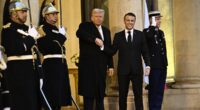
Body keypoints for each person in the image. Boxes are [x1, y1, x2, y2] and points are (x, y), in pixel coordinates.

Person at [104, 12, 150, 110]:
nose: (130, 22)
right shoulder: (118, 36)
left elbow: (145, 52)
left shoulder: (140, 35)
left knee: (138, 96)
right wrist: (102, 46)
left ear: (134, 22)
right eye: (128, 20)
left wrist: (148, 65)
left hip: (137, 70)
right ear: (124, 21)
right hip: (123, 71)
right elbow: (112, 51)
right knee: (122, 96)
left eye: (132, 21)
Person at [1, 1, 40, 110]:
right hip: (18, 72)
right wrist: (31, 38)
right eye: (22, 12)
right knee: (21, 103)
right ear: (14, 14)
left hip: (31, 72)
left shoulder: (28, 29)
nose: (26, 14)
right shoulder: (8, 29)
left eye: (26, 12)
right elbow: (17, 49)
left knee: (33, 103)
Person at [76, 8, 114, 110]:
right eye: (96, 16)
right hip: (88, 69)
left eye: (100, 16)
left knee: (100, 96)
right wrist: (95, 39)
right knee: (88, 98)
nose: (98, 18)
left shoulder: (106, 31)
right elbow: (79, 33)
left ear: (103, 18)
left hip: (101, 69)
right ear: (92, 17)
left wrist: (110, 66)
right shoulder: (85, 26)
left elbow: (109, 50)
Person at [37, 2, 72, 110]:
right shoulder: (42, 29)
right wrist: (62, 36)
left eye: (56, 14)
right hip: (51, 65)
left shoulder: (56, 29)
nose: (56, 16)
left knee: (60, 95)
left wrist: (60, 35)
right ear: (46, 16)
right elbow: (50, 47)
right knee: (52, 95)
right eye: (53, 14)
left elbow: (59, 48)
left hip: (60, 64)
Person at [143, 11, 168, 110]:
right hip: (154, 66)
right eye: (156, 19)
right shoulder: (147, 31)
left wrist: (165, 64)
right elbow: (148, 37)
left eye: (159, 19)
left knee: (160, 90)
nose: (159, 21)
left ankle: (158, 108)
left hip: (162, 65)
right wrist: (152, 26)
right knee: (153, 90)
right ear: (151, 20)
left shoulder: (161, 32)